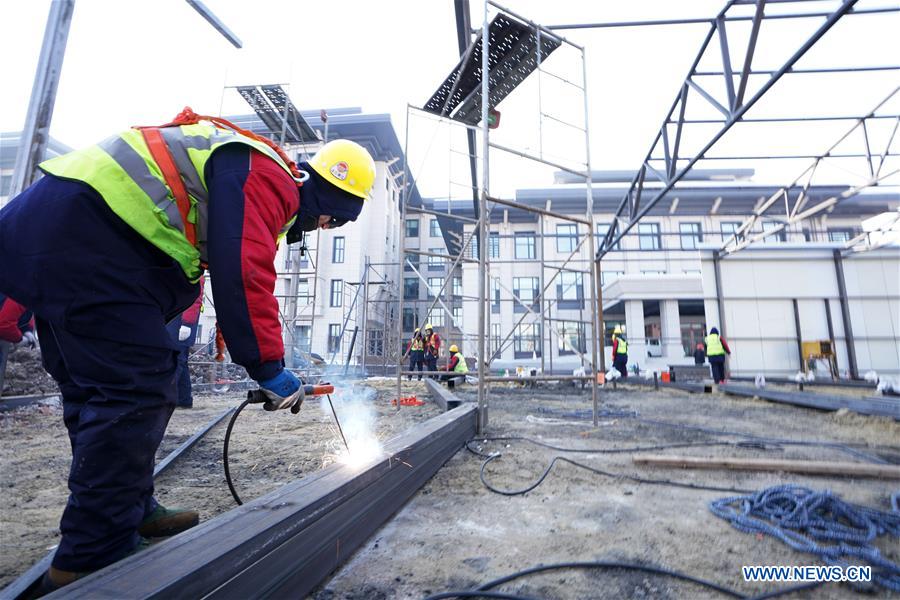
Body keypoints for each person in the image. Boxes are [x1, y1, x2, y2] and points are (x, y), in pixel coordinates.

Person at [0, 108, 375, 592]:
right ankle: (94, 553)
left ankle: (126, 510)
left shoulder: (249, 168)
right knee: (134, 390)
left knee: (97, 391)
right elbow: (244, 271)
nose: (324, 227)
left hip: (64, 235)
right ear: (329, 196)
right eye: (332, 218)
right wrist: (267, 366)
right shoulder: (269, 178)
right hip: (90, 238)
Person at [165, 280, 205, 408]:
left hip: (182, 321)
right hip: (179, 319)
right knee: (181, 360)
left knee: (175, 360)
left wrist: (187, 323)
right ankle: (184, 399)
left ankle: (166, 399)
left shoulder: (191, 272)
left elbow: (194, 298)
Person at [0, 293, 37, 395]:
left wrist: (27, 329)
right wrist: (19, 339)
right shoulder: (22, 290)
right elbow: (4, 325)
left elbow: (20, 310)